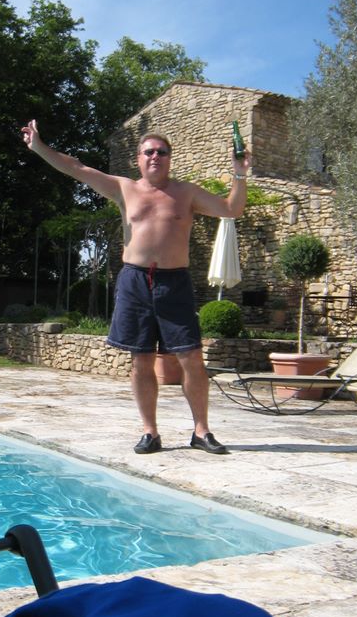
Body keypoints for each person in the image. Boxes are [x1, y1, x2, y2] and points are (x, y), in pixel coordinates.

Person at [20, 119, 250, 455]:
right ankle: (150, 432)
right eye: (149, 152)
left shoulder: (186, 193)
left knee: (191, 358)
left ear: (170, 158)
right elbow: (76, 168)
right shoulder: (123, 188)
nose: (155, 156)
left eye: (162, 152)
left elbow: (232, 209)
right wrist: (39, 147)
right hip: (135, 281)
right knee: (141, 360)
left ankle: (201, 431)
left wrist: (239, 174)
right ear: (139, 159)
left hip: (175, 283)